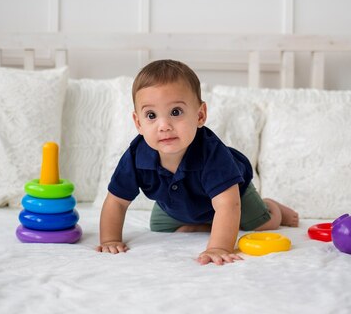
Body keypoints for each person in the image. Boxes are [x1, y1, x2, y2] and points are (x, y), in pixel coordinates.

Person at [95, 59, 299, 265]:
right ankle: (208, 222)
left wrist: (218, 247)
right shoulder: (136, 155)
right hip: (179, 201)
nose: (164, 125)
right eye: (151, 115)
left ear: (200, 115)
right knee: (159, 226)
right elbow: (117, 202)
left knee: (260, 223)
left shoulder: (212, 154)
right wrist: (110, 239)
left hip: (232, 194)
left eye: (176, 112)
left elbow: (228, 205)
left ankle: (273, 207)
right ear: (138, 122)